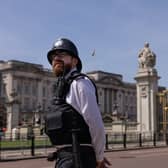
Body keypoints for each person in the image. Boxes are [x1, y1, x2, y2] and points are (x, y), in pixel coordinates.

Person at [46, 38, 111, 168]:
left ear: (75, 61)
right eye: (53, 56)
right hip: (66, 158)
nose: (56, 58)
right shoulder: (60, 87)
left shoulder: (80, 83)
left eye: (62, 54)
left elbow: (95, 123)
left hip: (78, 159)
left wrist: (98, 157)